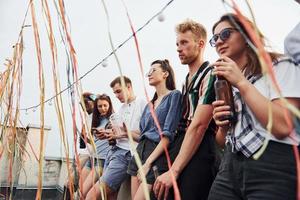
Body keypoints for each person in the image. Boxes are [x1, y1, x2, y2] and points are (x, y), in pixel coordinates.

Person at [208, 13, 300, 200]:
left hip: (273, 166)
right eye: (215, 38)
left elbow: (283, 126)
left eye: (225, 34)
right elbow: (222, 141)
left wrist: (242, 83)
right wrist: (223, 126)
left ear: (246, 34)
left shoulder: (280, 66)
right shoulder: (225, 83)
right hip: (229, 167)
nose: (218, 42)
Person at [153, 19, 217, 200]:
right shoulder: (186, 80)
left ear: (201, 44)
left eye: (184, 42)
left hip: (201, 146)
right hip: (182, 143)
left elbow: (199, 126)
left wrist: (174, 170)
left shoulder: (210, 73)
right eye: (177, 44)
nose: (178, 48)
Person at [127, 59, 182, 200]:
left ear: (165, 74)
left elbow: (167, 136)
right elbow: (143, 134)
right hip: (140, 152)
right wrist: (122, 133)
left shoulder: (174, 96)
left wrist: (148, 163)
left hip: (156, 155)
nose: (149, 74)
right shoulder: (149, 104)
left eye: (153, 70)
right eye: (148, 72)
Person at [85, 76, 147, 200]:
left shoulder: (143, 104)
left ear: (129, 87)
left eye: (119, 91)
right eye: (115, 93)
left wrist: (124, 133)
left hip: (126, 155)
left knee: (91, 195)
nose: (117, 95)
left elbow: (146, 135)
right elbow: (118, 134)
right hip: (113, 152)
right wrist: (108, 134)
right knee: (110, 196)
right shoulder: (121, 109)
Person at [62, 92, 95, 200]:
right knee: (68, 183)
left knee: (71, 184)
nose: (84, 105)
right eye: (82, 103)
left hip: (90, 156)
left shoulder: (98, 116)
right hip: (83, 153)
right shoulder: (87, 117)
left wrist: (92, 96)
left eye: (87, 102)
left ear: (93, 102)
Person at [81, 94, 113, 198]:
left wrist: (92, 95)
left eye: (105, 105)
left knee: (85, 193)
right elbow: (96, 141)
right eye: (100, 106)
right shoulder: (96, 120)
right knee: (79, 191)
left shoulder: (112, 119)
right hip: (92, 158)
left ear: (110, 105)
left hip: (102, 160)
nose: (103, 109)